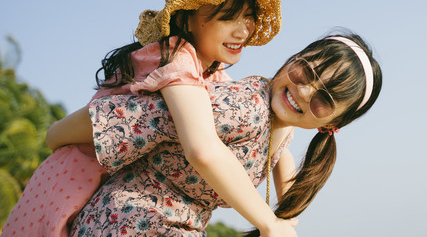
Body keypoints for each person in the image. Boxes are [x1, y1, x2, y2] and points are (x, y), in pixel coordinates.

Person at [1, 0, 286, 237]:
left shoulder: (212, 72)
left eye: (248, 17)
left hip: (110, 181)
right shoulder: (177, 57)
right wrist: (269, 223)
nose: (242, 31)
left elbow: (262, 119)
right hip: (73, 177)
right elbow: (203, 148)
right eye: (228, 18)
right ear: (187, 20)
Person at [47, 31, 382, 236]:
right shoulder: (245, 105)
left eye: (324, 100)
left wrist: (285, 221)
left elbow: (290, 192)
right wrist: (58, 134)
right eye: (304, 71)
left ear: (332, 124)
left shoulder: (281, 132)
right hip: (133, 219)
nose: (306, 91)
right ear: (293, 58)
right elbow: (147, 119)